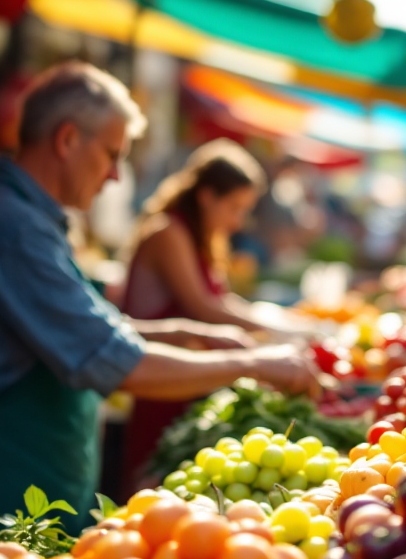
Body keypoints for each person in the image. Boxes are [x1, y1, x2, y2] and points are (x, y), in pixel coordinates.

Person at [0, 63, 317, 531]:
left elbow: (83, 327)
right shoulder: (14, 229)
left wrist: (183, 332)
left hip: (29, 479)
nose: (113, 177)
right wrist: (253, 364)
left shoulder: (27, 219)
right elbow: (113, 360)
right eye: (112, 155)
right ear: (68, 140)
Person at [119, 140, 308, 490]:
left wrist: (281, 325)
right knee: (151, 483)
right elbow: (203, 307)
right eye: (234, 207)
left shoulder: (200, 237)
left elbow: (222, 301)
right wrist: (280, 333)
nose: (238, 221)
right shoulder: (168, 231)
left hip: (189, 378)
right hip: (162, 382)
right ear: (207, 196)